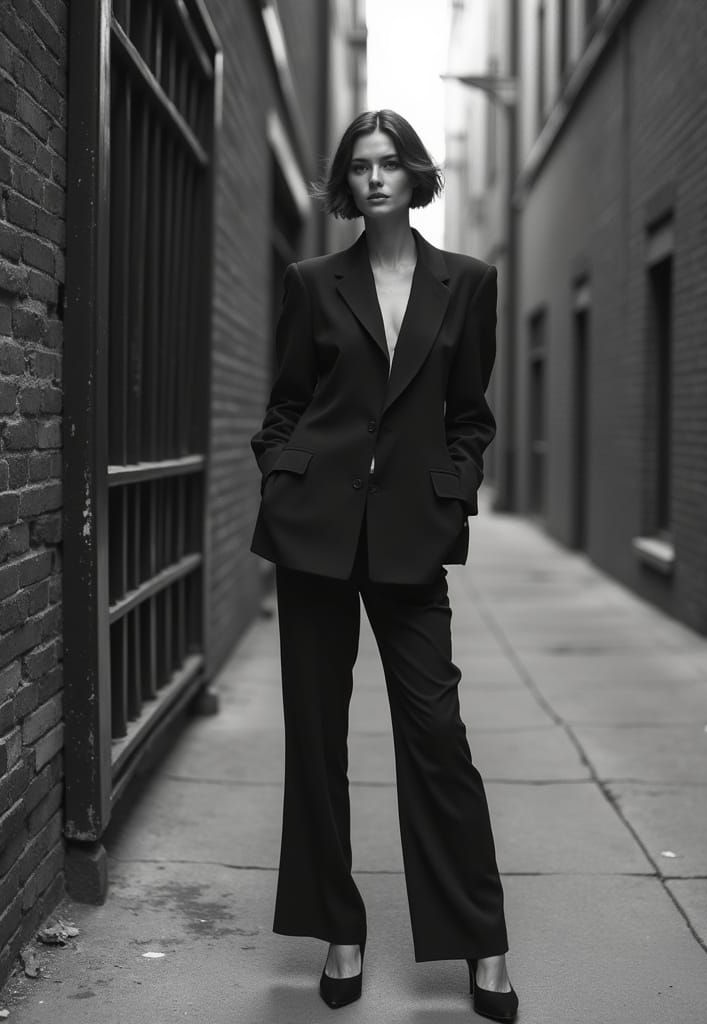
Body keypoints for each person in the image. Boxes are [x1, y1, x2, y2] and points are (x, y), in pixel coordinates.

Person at [250, 109, 518, 1022]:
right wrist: (282, 478)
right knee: (316, 738)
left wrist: (454, 492)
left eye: (390, 163)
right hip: (314, 535)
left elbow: (470, 415)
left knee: (437, 734)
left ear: (414, 176)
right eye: (360, 165)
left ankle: (481, 938)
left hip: (411, 538)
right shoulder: (311, 282)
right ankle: (339, 927)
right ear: (345, 181)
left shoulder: (467, 283)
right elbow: (285, 405)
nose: (374, 178)